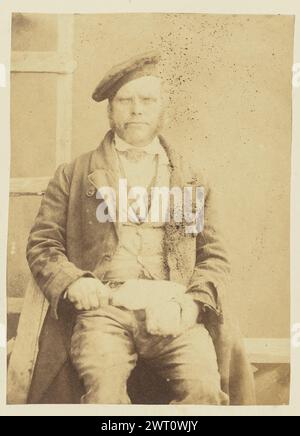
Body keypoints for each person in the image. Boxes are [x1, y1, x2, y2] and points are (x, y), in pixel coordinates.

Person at [26, 51, 255, 405]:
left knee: (206, 392)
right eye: (125, 100)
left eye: (147, 100)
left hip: (174, 309)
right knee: (103, 395)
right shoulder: (73, 175)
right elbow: (43, 244)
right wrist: (75, 281)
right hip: (104, 311)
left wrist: (190, 306)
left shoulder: (190, 179)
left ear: (162, 107)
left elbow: (215, 258)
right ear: (111, 110)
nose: (136, 110)